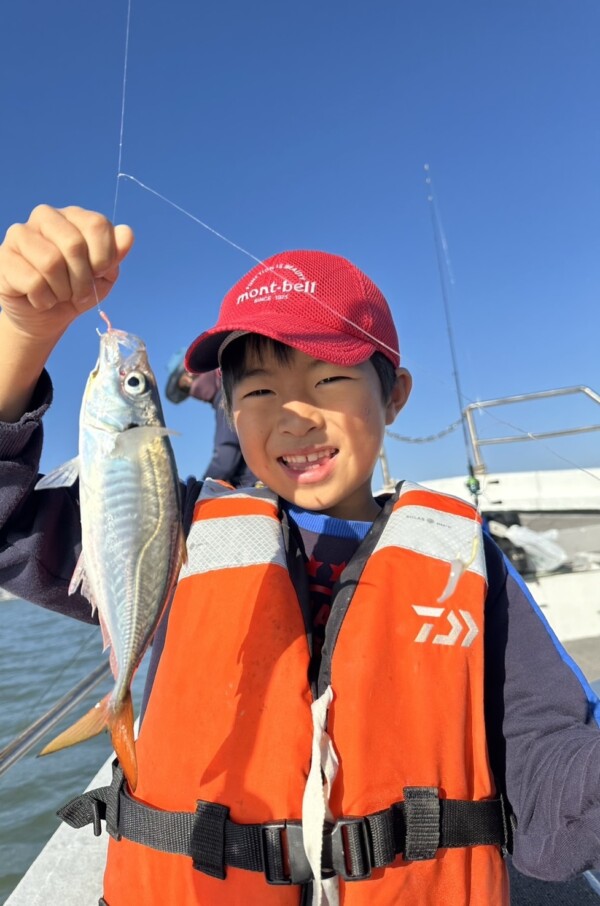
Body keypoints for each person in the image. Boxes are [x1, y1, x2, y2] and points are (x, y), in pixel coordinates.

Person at [0, 205, 599, 906]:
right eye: (258, 390)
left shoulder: (470, 568)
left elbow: (548, 770)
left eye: (329, 379)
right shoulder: (181, 527)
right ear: (228, 408)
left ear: (395, 395)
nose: (294, 413)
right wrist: (22, 333)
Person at [165, 353, 256, 486]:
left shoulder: (228, 397)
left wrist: (199, 490)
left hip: (257, 490)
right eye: (185, 386)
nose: (192, 384)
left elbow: (225, 460)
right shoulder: (234, 392)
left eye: (191, 374)